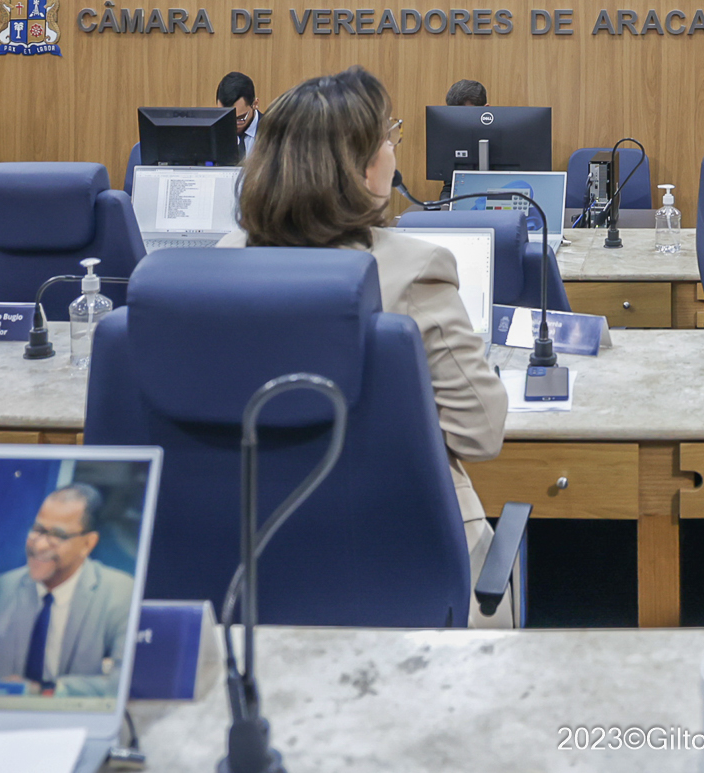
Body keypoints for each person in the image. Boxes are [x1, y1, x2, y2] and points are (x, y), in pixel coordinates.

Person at [215, 68, 511, 625]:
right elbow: (480, 432)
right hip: (406, 558)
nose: (394, 150)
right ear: (362, 169)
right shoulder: (414, 267)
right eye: (388, 138)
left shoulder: (225, 256)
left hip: (258, 560)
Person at [0, 484, 135, 697]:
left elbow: (123, 684)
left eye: (57, 535)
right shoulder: (2, 588)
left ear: (87, 544)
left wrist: (46, 692)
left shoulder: (119, 593)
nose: (39, 546)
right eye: (37, 530)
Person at [217, 71, 261, 156]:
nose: (231, 124)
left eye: (240, 118)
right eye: (225, 118)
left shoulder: (274, 133)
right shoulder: (213, 135)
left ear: (255, 104)